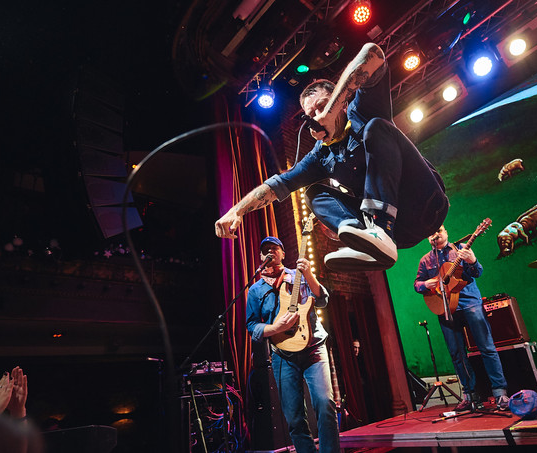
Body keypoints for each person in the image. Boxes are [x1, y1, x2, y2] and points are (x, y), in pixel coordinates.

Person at [215, 42, 448, 272]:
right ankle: (366, 239)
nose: (318, 117)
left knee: (376, 127)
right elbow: (279, 184)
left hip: (428, 203)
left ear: (341, 103)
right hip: (402, 233)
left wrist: (329, 111)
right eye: (311, 115)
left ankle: (379, 230)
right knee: (313, 193)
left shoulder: (362, 109)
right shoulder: (320, 156)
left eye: (323, 106)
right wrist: (238, 210)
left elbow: (374, 53)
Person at [245, 236, 339, 453]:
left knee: (325, 405)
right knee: (294, 418)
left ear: (283, 254)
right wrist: (275, 328)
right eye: (265, 250)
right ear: (260, 257)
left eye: (274, 248)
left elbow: (323, 300)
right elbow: (252, 326)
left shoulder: (298, 275)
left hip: (313, 347)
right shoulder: (255, 290)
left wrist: (309, 275)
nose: (270, 252)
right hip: (282, 355)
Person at [413, 225, 509, 411]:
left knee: (486, 348)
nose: (435, 235)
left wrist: (473, 261)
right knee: (457, 355)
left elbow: (477, 272)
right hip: (445, 308)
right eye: (431, 233)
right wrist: (426, 284)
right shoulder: (425, 260)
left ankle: (500, 393)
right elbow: (417, 284)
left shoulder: (461, 249)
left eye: (439, 230)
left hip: (470, 303)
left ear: (446, 233)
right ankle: (470, 395)